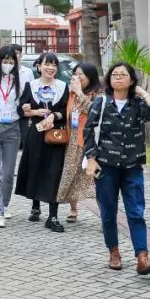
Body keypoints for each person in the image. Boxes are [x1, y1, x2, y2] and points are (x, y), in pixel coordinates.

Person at [83, 62, 150, 274]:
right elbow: (88, 131)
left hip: (132, 166)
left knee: (136, 211)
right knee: (108, 212)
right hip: (106, 167)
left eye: (123, 74)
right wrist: (91, 158)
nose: (118, 77)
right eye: (114, 74)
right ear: (109, 80)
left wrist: (142, 92)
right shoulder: (101, 102)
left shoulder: (137, 104)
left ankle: (142, 257)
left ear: (131, 80)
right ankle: (114, 252)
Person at [15, 52, 69, 232]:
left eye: (54, 64)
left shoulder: (62, 87)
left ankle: (53, 216)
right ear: (39, 66)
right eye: (47, 64)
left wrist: (54, 115)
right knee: (35, 168)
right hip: (36, 134)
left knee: (55, 172)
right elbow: (21, 109)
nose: (51, 68)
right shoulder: (31, 86)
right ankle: (35, 205)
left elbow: (66, 111)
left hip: (56, 135)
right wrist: (31, 111)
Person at [57, 62, 101, 222]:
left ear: (90, 76)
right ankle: (73, 209)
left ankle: (105, 215)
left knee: (97, 178)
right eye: (75, 74)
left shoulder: (98, 94)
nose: (76, 77)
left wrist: (80, 92)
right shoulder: (71, 93)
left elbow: (94, 111)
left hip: (91, 141)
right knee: (71, 175)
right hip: (73, 140)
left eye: (80, 74)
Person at [0, 47, 22, 228]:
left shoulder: (19, 80)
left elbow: (24, 102)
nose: (8, 64)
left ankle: (5, 203)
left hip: (12, 129)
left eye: (11, 62)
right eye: (5, 61)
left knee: (8, 174)